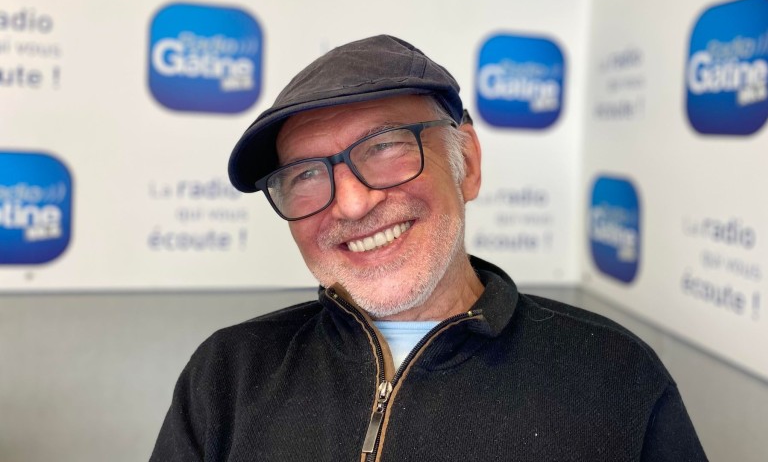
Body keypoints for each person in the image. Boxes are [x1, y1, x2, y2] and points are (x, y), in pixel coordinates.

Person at [150, 35, 708, 461]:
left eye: (384, 147)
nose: (351, 204)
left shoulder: (615, 378)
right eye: (305, 175)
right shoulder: (227, 376)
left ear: (468, 162)